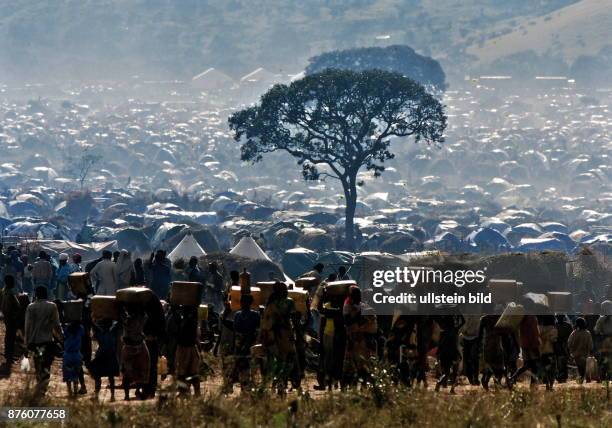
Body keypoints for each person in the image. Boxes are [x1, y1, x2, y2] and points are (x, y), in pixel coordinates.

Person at [260, 281, 299, 394]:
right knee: (289, 360)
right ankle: (281, 382)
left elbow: (265, 323)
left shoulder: (270, 304)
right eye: (285, 289)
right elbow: (294, 319)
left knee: (275, 361)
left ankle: (274, 382)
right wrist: (299, 334)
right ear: (281, 291)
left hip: (271, 337)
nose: (287, 291)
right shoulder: (289, 302)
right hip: (285, 335)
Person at [24, 286, 62, 396]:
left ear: (36, 294)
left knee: (37, 365)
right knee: (46, 365)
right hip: (47, 341)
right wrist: (61, 338)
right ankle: (43, 388)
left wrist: (26, 343)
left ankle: (40, 386)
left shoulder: (31, 307)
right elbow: (57, 324)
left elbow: (27, 327)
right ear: (46, 294)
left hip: (35, 341)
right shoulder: (52, 306)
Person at [342, 286, 376, 388]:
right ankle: (355, 385)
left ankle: (362, 385)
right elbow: (347, 321)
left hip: (360, 341)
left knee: (361, 364)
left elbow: (372, 321)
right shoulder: (350, 307)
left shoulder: (362, 307)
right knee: (353, 365)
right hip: (354, 340)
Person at [120, 303, 150, 400]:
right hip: (137, 346)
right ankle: (136, 391)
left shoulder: (128, 319)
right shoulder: (141, 318)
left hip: (132, 347)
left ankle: (128, 394)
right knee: (140, 369)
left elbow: (120, 315)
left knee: (129, 371)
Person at [233, 293, 261, 390]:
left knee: (250, 368)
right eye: (242, 301)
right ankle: (244, 389)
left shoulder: (255, 315)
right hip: (240, 345)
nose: (243, 303)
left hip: (251, 344)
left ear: (250, 303)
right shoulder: (237, 315)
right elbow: (235, 330)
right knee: (242, 368)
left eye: (245, 301)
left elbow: (259, 330)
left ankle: (248, 389)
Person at [90, 318, 120, 401]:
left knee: (97, 375)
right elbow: (119, 321)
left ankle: (97, 394)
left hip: (102, 356)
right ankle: (112, 395)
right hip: (110, 355)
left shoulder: (100, 332)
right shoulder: (113, 331)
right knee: (110, 377)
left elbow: (92, 324)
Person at [434, 313, 464, 394]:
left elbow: (440, 344)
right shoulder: (455, 330)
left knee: (446, 373)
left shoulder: (443, 331)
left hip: (444, 353)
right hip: (453, 353)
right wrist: (459, 313)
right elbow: (463, 322)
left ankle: (439, 384)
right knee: (455, 372)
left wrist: (438, 354)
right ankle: (452, 389)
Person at [509, 314, 541, 388]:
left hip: (524, 344)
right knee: (534, 366)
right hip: (532, 345)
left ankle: (513, 377)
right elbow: (534, 333)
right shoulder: (532, 318)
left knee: (528, 364)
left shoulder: (522, 318)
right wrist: (536, 345)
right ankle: (532, 384)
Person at [174, 305, 201, 396]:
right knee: (188, 372)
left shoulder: (190, 321)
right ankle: (186, 392)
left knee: (187, 372)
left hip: (187, 348)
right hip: (186, 347)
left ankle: (190, 392)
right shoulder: (185, 320)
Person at [479, 314, 506, 390]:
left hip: (493, 344)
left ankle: (490, 382)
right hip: (493, 344)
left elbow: (480, 334)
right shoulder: (497, 317)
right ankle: (488, 381)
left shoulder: (485, 318)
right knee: (494, 366)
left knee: (496, 366)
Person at [0, 275, 20, 374]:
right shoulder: (11, 292)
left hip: (6, 316)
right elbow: (18, 305)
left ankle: (8, 355)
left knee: (8, 336)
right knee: (11, 337)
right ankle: (9, 356)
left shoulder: (3, 291)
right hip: (12, 317)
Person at [62, 320, 85, 397]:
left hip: (67, 355)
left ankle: (70, 392)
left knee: (68, 374)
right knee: (76, 374)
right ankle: (75, 392)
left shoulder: (66, 330)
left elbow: (62, 334)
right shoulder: (80, 329)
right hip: (77, 355)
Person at [568, 317, 593, 383]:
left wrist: (571, 350)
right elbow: (590, 344)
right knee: (584, 367)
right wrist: (590, 351)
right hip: (584, 354)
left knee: (579, 367)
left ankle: (581, 379)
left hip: (576, 354)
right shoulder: (587, 333)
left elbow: (569, 343)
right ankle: (584, 378)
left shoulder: (574, 333)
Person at [461, 314, 481, 386]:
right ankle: (471, 378)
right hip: (466, 337)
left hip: (474, 337)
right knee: (468, 359)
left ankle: (475, 378)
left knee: (474, 358)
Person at [594, 301, 612, 381]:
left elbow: (596, 331)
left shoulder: (601, 319)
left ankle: (602, 377)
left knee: (603, 361)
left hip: (604, 342)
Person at [539, 314, 558, 390]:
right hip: (550, 352)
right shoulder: (553, 329)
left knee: (545, 369)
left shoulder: (539, 328)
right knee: (552, 370)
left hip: (541, 352)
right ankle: (551, 386)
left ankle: (547, 384)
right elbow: (554, 341)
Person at [554, 314, 572, 382]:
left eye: (560, 317)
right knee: (561, 362)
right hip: (560, 346)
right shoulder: (567, 325)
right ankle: (562, 376)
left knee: (562, 362)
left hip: (563, 346)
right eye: (559, 317)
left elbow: (570, 336)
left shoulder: (556, 325)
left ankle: (562, 376)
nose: (559, 318)